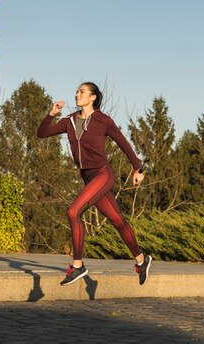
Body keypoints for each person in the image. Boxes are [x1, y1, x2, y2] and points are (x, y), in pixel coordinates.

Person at [37, 82, 152, 286]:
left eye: (81, 92)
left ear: (92, 97)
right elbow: (42, 133)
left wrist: (137, 168)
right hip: (88, 177)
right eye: (76, 92)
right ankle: (142, 260)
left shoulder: (102, 120)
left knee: (73, 212)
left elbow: (123, 142)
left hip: (102, 174)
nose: (77, 94)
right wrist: (51, 113)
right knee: (117, 220)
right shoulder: (70, 121)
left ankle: (78, 266)